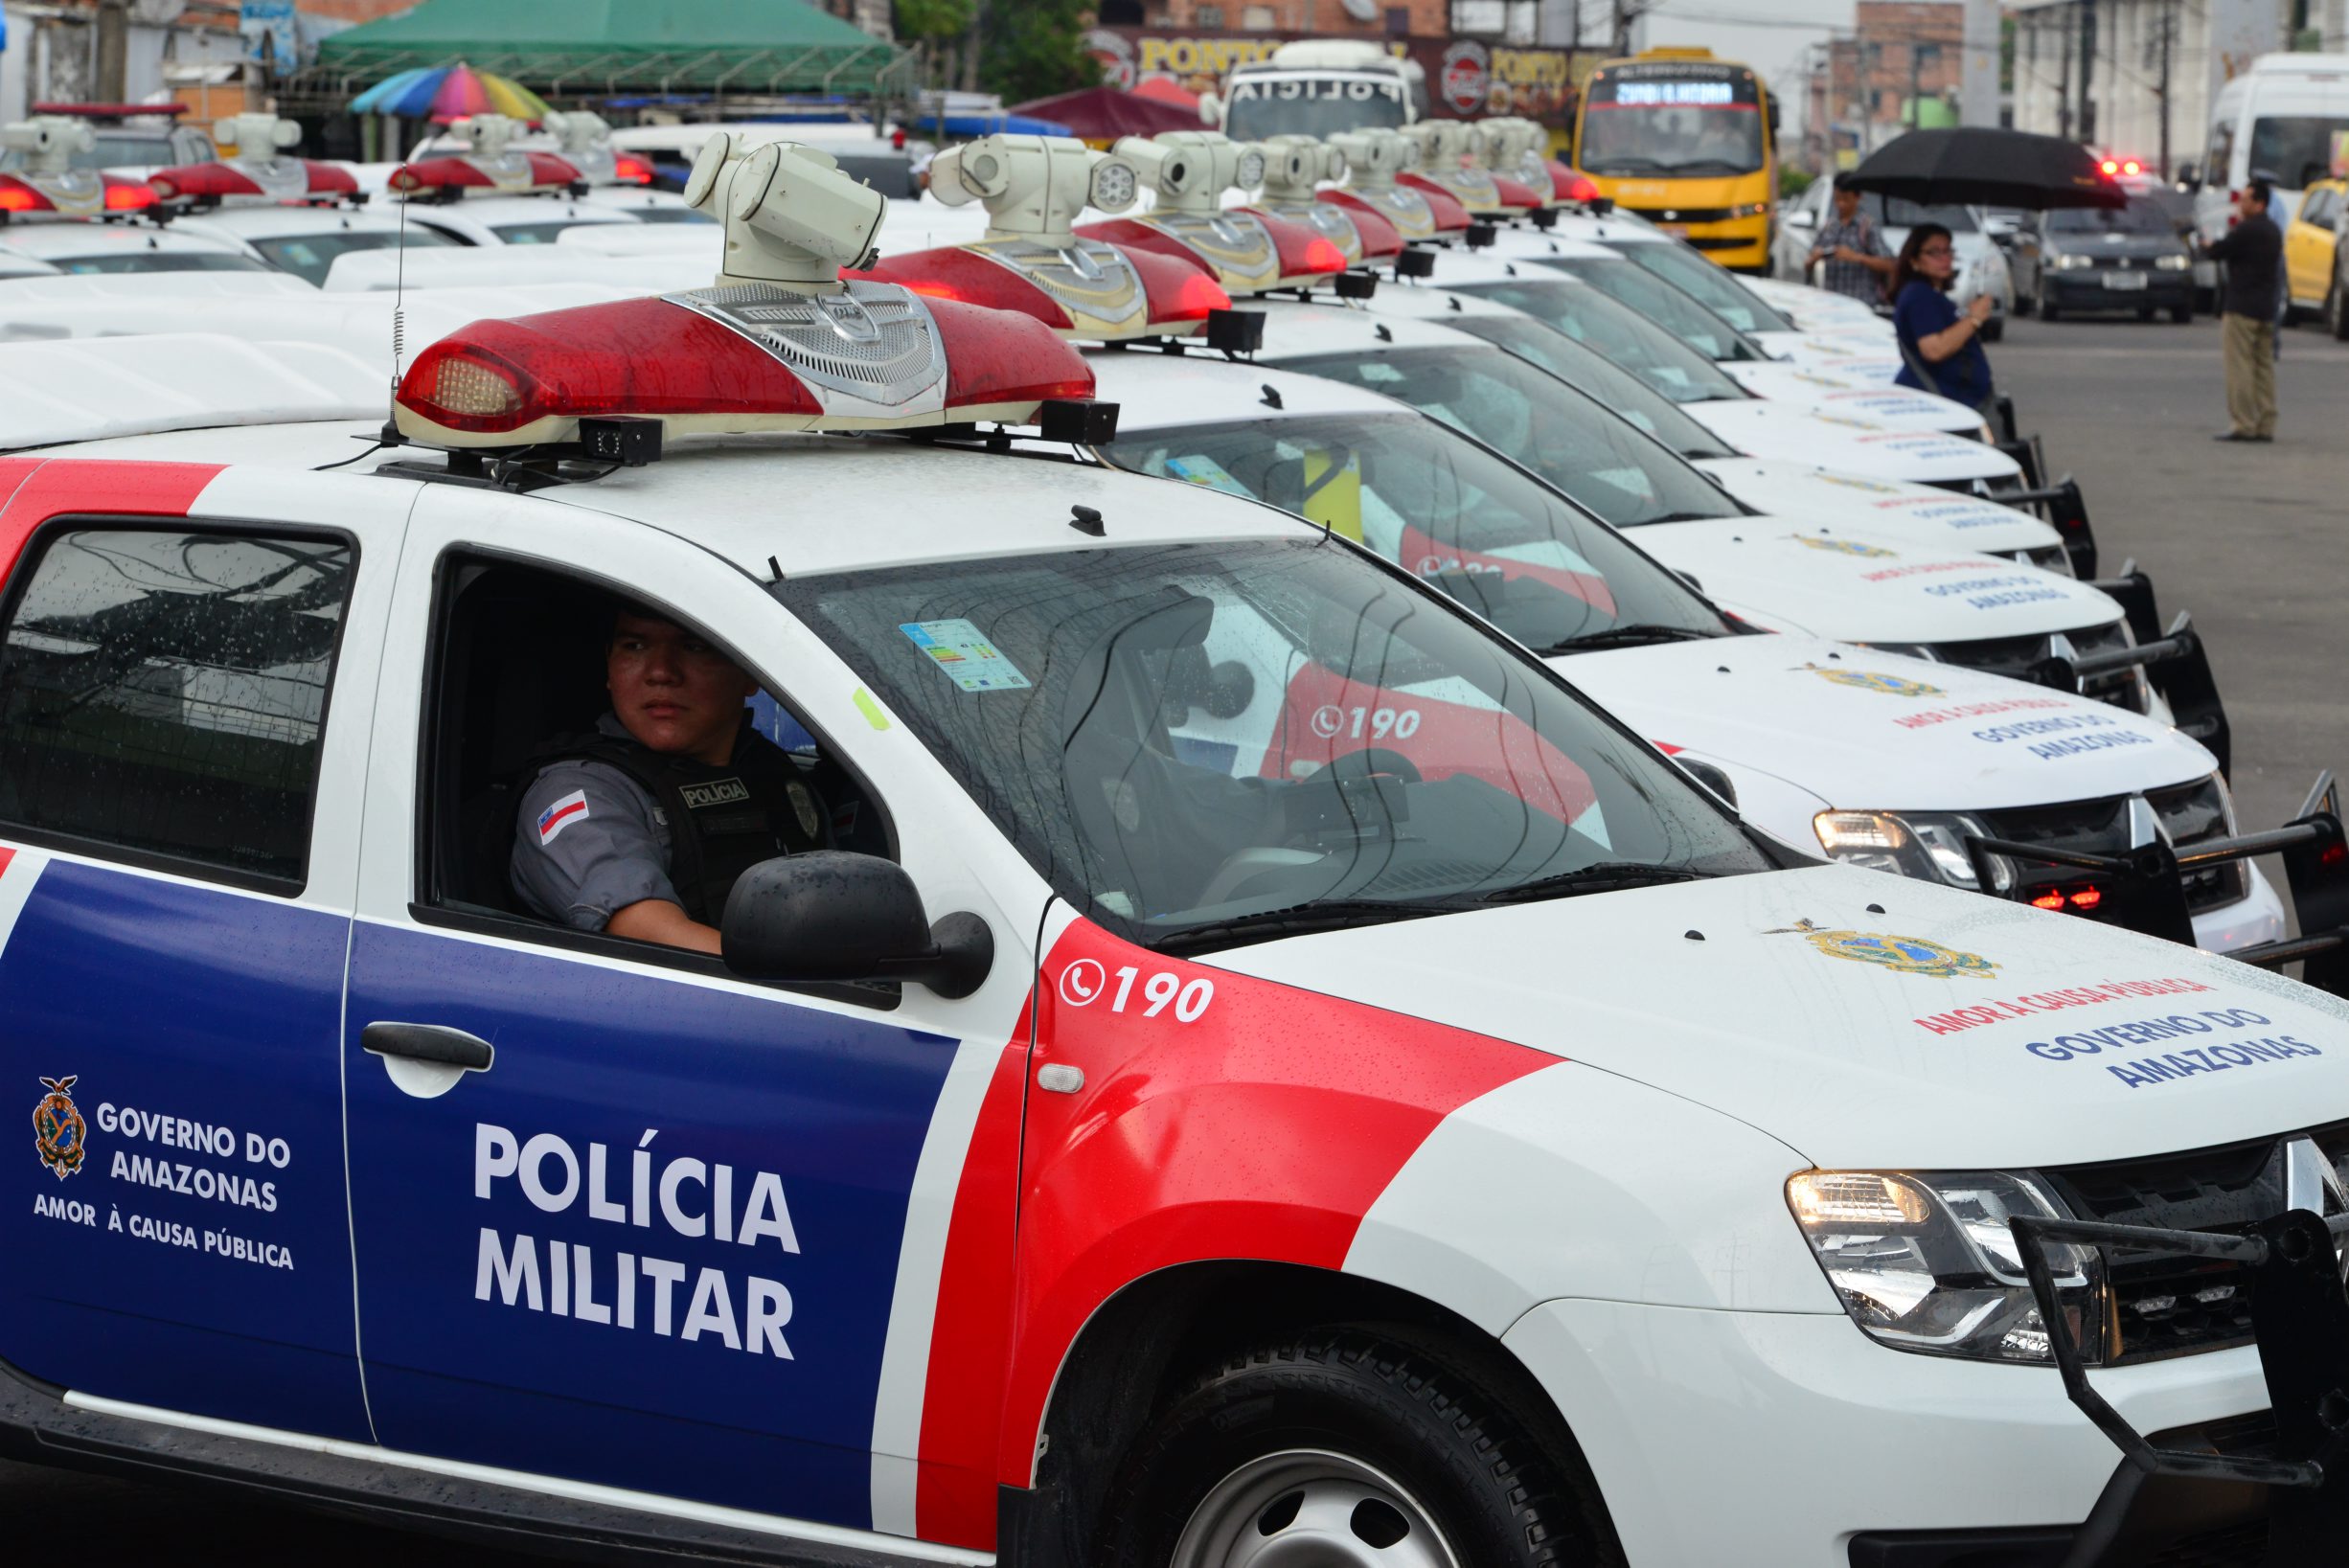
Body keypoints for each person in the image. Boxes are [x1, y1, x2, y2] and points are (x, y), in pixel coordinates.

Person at [512, 605, 829, 954]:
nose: (661, 672)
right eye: (635, 646)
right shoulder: (579, 792)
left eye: (693, 646)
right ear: (609, 668)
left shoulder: (769, 769)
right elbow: (649, 935)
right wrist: (835, 982)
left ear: (749, 671)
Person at [2201, 178, 2282, 442]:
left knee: (2239, 367)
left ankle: (2244, 423)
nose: (2240, 204)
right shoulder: (2273, 231)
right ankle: (2265, 422)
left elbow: (2219, 251)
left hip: (2241, 307)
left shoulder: (2247, 230)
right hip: (2265, 307)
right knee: (2263, 367)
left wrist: (2208, 244)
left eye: (2246, 200)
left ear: (2260, 203)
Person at [1887, 222, 1996, 414]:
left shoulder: (1931, 294)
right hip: (1939, 405)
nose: (1945, 258)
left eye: (1948, 251)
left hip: (1955, 400)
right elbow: (1934, 349)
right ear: (1914, 260)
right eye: (1934, 253)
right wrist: (1973, 319)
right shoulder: (1918, 295)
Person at [1807, 175, 1894, 306]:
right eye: (1837, 199)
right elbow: (1807, 263)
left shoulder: (1868, 227)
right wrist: (1815, 258)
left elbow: (1889, 265)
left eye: (1846, 199)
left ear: (1858, 197)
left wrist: (1856, 257)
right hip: (1831, 303)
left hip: (1862, 304)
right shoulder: (1829, 226)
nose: (1840, 204)